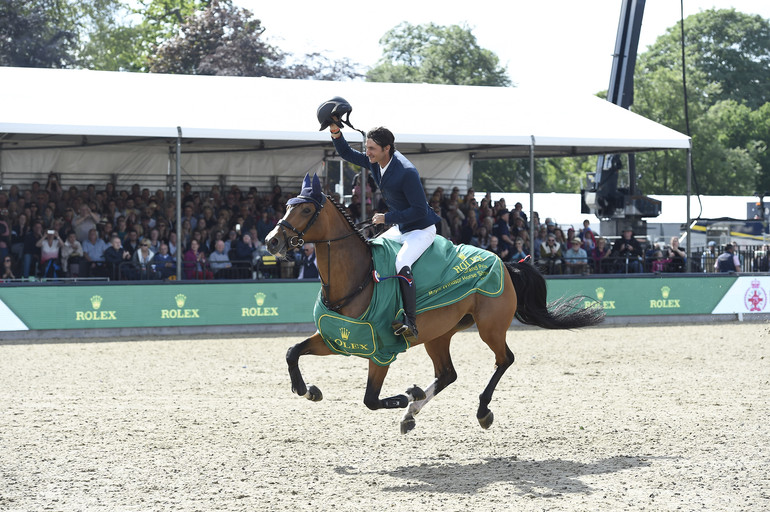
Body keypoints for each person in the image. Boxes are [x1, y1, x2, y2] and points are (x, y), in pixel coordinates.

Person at [330, 123, 440, 341]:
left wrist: (386, 218)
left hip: (421, 229)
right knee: (372, 248)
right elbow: (345, 152)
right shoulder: (376, 162)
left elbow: (419, 210)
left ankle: (411, 320)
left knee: (401, 262)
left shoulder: (406, 172)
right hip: (401, 227)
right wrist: (335, 131)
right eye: (367, 147)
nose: (367, 152)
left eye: (371, 148)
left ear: (386, 148)